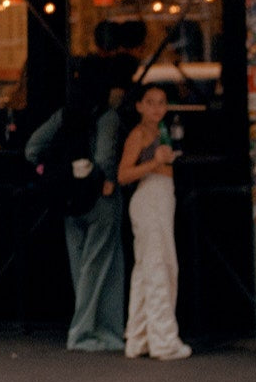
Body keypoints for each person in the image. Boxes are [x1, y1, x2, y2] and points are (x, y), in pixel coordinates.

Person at [23, 59, 129, 353]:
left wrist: (54, 171)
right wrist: (107, 179)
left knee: (81, 267)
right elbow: (106, 156)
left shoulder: (66, 114)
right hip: (100, 198)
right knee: (103, 266)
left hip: (69, 200)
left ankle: (95, 332)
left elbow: (32, 148)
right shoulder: (107, 116)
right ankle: (89, 333)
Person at [117, 84, 191, 361]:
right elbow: (123, 174)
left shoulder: (160, 132)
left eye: (161, 102)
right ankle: (164, 340)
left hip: (161, 198)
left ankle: (139, 337)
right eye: (150, 102)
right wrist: (155, 163)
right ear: (139, 106)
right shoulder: (138, 135)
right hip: (149, 200)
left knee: (147, 269)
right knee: (160, 268)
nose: (156, 108)